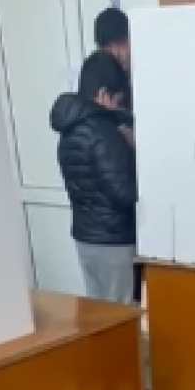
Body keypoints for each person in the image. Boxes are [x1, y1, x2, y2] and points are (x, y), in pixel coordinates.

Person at [50, 51, 137, 304]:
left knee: (98, 310)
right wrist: (133, 153)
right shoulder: (104, 132)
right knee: (121, 312)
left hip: (85, 237)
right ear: (102, 93)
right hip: (113, 240)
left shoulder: (68, 130)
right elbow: (123, 193)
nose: (117, 107)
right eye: (116, 100)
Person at [94, 6, 144, 304]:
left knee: (106, 305)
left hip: (96, 230)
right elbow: (121, 187)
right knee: (120, 307)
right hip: (114, 228)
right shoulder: (108, 82)